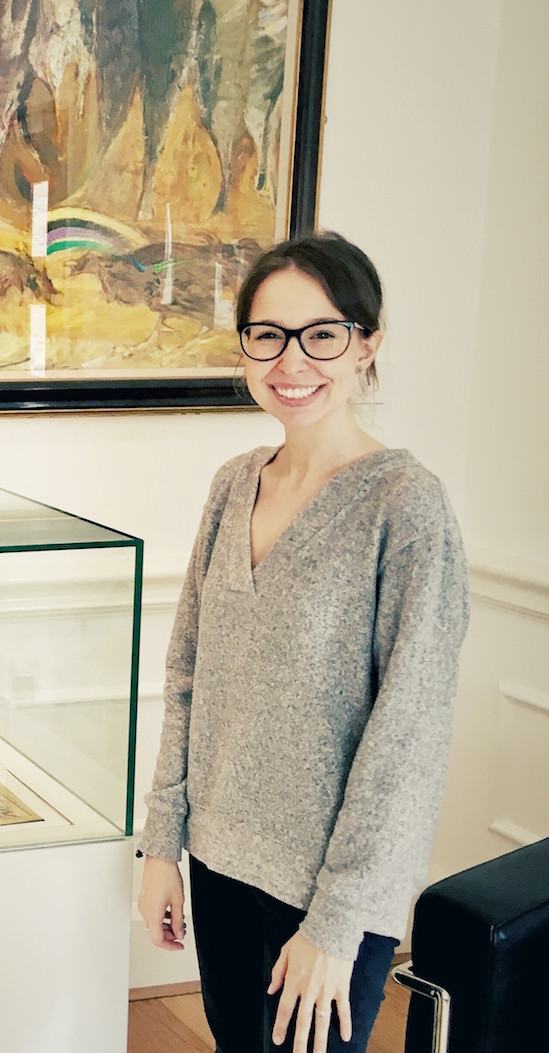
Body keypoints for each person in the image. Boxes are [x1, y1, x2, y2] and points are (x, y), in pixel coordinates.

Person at [136, 232, 470, 1053]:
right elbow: (186, 674)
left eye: (321, 334)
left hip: (322, 895)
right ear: (244, 345)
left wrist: (339, 924)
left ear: (366, 345)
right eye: (267, 335)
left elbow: (408, 740)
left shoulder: (405, 507)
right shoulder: (233, 482)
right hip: (216, 865)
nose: (292, 361)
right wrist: (160, 845)